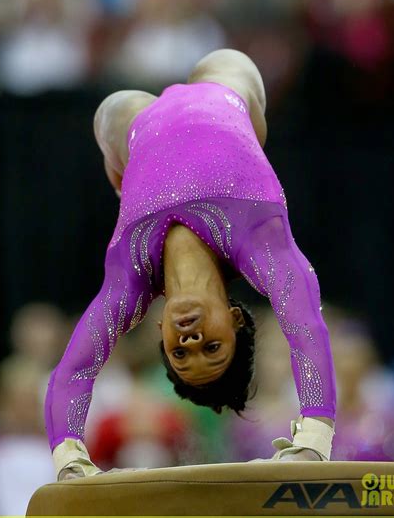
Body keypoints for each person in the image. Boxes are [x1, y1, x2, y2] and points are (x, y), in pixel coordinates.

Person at [45, 49, 337, 480]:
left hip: (136, 131)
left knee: (112, 112)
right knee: (230, 65)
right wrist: (314, 442)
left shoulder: (129, 279)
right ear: (236, 318)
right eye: (212, 347)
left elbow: (74, 369)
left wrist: (69, 462)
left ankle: (134, 156)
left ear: (161, 333)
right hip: (224, 91)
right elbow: (306, 327)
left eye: (180, 352)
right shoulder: (262, 246)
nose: (191, 337)